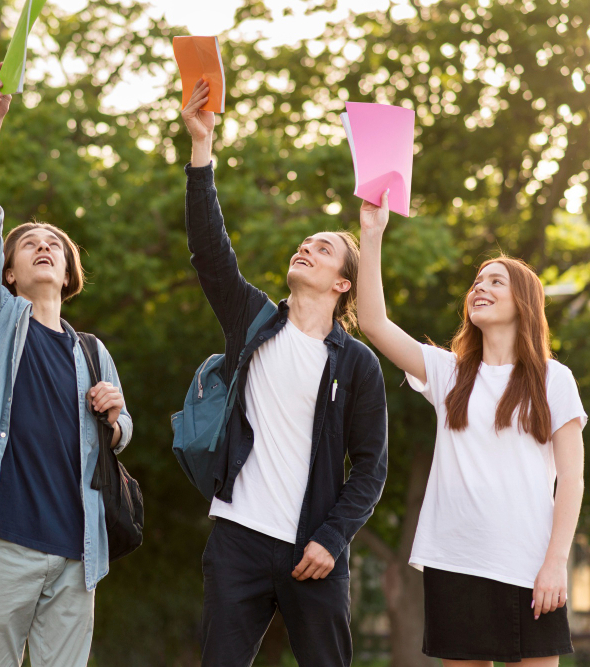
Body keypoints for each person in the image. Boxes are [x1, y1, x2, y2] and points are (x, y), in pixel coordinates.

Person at [181, 78, 388, 667]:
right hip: (237, 540)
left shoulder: (357, 364)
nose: (306, 249)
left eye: (323, 249)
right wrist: (202, 151)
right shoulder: (253, 322)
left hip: (312, 550)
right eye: (304, 243)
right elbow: (209, 250)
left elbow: (372, 466)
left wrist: (332, 537)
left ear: (343, 282)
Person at [0, 68, 133, 667]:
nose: (44, 245)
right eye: (29, 243)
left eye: (55, 242)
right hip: (3, 540)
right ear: (8, 273)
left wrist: (115, 415)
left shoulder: (92, 351)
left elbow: (123, 436)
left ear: (69, 270)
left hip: (79, 551)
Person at [357, 191, 587, 666]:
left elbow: (573, 480)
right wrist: (372, 234)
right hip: (456, 560)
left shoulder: (553, 378)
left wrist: (554, 563)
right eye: (477, 281)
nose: (479, 287)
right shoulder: (449, 372)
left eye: (495, 281)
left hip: (529, 564)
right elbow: (374, 324)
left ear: (523, 301)